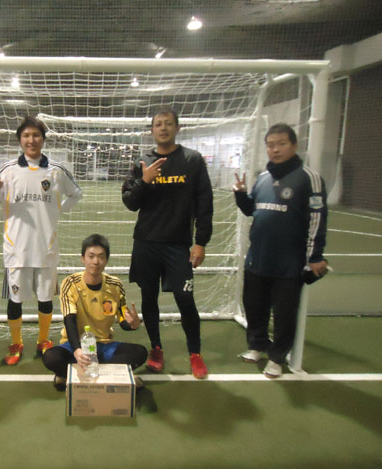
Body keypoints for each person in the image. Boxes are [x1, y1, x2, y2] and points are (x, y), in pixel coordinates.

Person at [121, 106, 213, 379]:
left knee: (185, 299)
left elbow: (204, 203)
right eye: (158, 124)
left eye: (168, 123)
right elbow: (129, 202)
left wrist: (201, 242)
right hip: (146, 243)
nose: (163, 128)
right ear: (152, 130)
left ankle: (195, 353)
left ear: (177, 128)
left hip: (177, 245)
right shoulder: (142, 162)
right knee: (149, 298)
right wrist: (144, 181)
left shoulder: (192, 160)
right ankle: (156, 348)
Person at [234, 123, 328, 378]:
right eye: (270, 145)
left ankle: (277, 357)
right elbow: (252, 209)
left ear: (294, 145)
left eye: (281, 144)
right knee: (254, 305)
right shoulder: (263, 178)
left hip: (288, 262)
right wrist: (241, 195)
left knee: (284, 314)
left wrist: (315, 256)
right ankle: (257, 345)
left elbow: (317, 219)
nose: (275, 149)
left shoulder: (308, 177)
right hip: (258, 257)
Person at [0, 116, 82, 365]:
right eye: (26, 136)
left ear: (43, 139)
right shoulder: (8, 170)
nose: (31, 140)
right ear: (20, 139)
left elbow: (76, 193)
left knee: (45, 298)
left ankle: (43, 340)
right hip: (16, 249)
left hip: (46, 249)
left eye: (36, 135)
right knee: (15, 300)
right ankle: (16, 343)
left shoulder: (56, 170)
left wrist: (59, 209)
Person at [42, 234, 147, 390]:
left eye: (101, 257)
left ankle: (71, 375)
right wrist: (77, 350)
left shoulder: (115, 285)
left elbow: (123, 320)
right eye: (91, 256)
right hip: (74, 345)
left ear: (106, 260)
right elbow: (69, 320)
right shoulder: (70, 283)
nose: (96, 261)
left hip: (104, 345)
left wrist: (133, 325)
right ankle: (117, 375)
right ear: (83, 259)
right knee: (51, 357)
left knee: (140, 352)